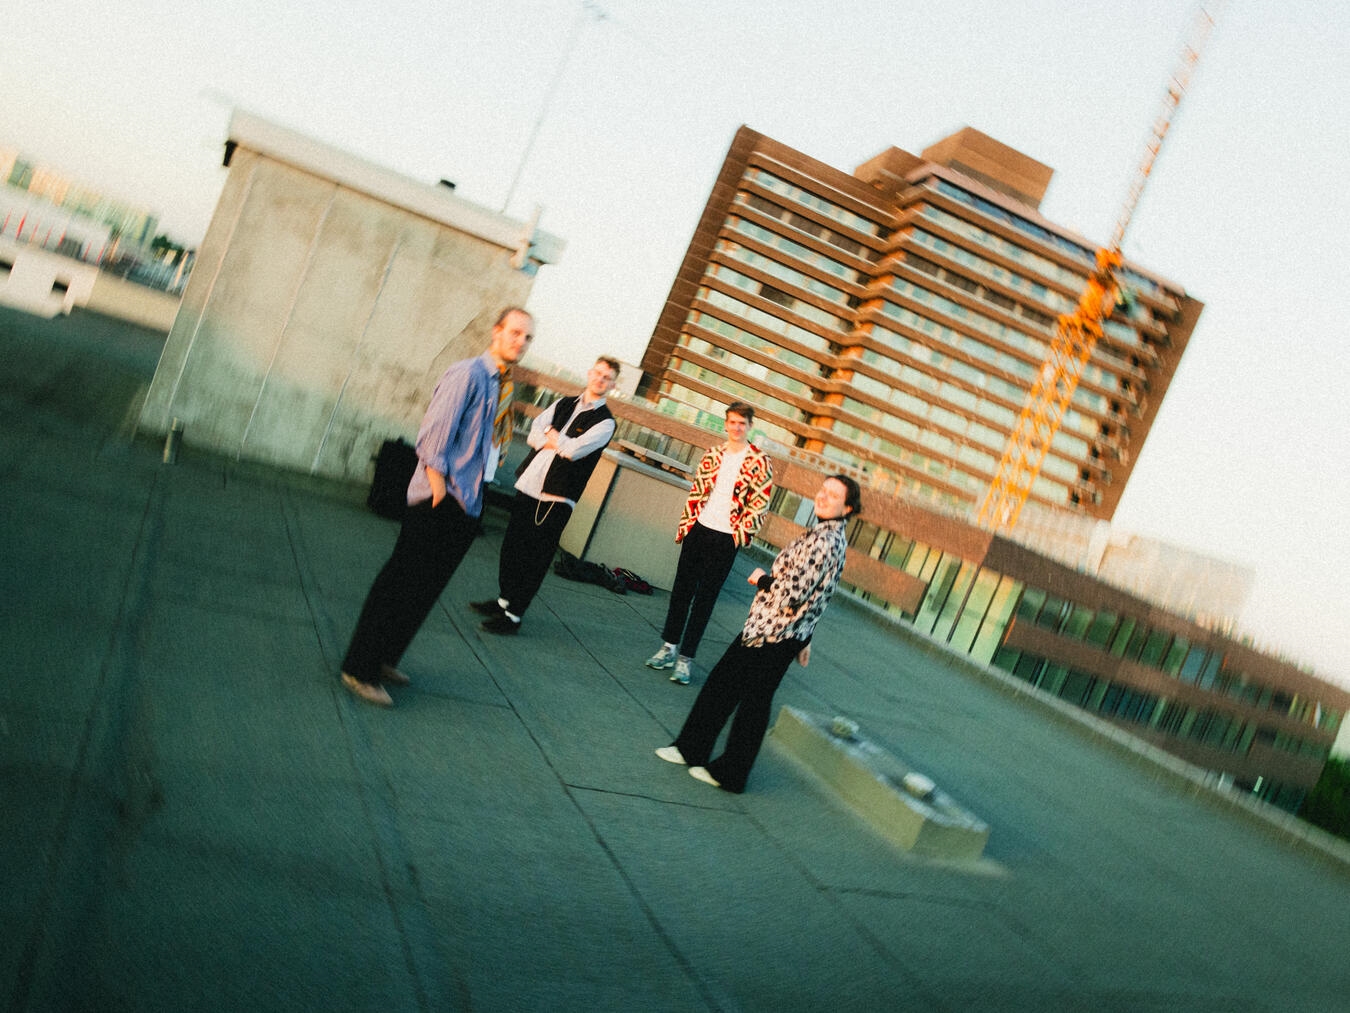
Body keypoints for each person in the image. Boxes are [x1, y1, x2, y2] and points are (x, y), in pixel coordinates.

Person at [340, 307, 534, 706]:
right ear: (497, 332)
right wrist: (439, 493)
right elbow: (432, 439)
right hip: (439, 500)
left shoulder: (502, 384)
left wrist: (469, 503)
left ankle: (384, 659)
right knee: (399, 586)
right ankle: (359, 668)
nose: (521, 341)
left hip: (467, 503)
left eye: (527, 337)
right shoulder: (468, 374)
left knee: (423, 591)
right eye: (515, 332)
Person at [655, 474, 860, 793]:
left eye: (833, 495)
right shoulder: (829, 536)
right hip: (778, 631)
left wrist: (761, 579)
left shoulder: (825, 540)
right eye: (822, 490)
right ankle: (694, 751)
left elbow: (793, 594)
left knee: (744, 699)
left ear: (847, 508)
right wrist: (806, 638)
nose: (823, 496)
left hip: (774, 633)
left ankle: (726, 771)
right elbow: (822, 593)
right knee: (730, 690)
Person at [472, 356, 621, 634]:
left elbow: (574, 451)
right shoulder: (564, 403)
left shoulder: (606, 423)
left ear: (612, 385)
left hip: (557, 497)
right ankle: (504, 600)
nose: (600, 379)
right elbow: (534, 434)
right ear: (589, 373)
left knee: (536, 557)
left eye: (606, 377)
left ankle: (514, 616)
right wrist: (556, 439)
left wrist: (553, 437)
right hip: (530, 484)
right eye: (597, 373)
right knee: (512, 547)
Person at [645, 402, 773, 685]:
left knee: (705, 599)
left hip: (726, 538)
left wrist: (740, 534)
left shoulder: (760, 461)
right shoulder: (713, 454)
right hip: (699, 529)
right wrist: (686, 525)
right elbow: (697, 491)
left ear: (750, 426)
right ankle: (668, 647)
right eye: (732, 422)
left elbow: (760, 503)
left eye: (742, 423)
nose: (737, 427)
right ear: (725, 424)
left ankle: (685, 659)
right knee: (681, 592)